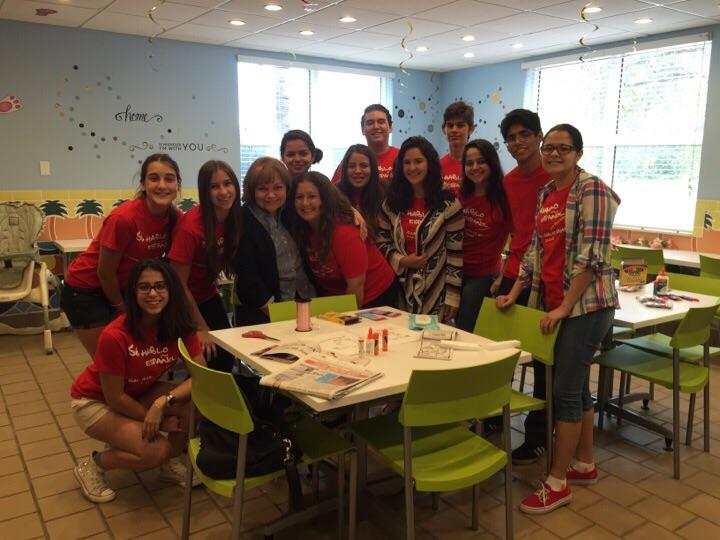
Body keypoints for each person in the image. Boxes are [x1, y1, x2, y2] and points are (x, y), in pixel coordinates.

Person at [496, 124, 619, 515]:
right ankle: (583, 463)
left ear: (578, 153)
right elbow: (535, 249)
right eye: (549, 147)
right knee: (578, 389)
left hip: (586, 307)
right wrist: (514, 292)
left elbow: (592, 255)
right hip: (553, 303)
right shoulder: (548, 193)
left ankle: (557, 482)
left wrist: (566, 305)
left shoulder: (592, 189)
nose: (553, 154)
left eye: (563, 148)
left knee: (564, 393)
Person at [70, 259, 205, 503]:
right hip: (94, 402)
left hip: (136, 392)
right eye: (145, 287)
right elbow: (114, 397)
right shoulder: (115, 335)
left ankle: (168, 463)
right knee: (156, 451)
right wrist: (156, 418)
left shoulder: (179, 325)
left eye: (160, 286)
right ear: (133, 293)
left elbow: (201, 376)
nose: (153, 293)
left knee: (192, 405)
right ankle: (93, 464)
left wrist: (163, 402)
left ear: (171, 290)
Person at [61, 154, 182, 358]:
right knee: (108, 361)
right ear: (143, 184)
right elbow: (105, 272)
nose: (162, 185)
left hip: (122, 287)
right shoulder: (124, 219)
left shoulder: (174, 217)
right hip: (85, 291)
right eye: (154, 178)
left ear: (178, 185)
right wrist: (122, 309)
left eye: (169, 179)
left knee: (131, 359)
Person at [497, 108, 555, 463]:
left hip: (547, 280)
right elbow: (512, 231)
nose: (517, 143)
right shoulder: (510, 181)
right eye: (511, 138)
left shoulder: (560, 177)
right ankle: (491, 417)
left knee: (542, 363)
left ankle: (537, 436)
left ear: (539, 136)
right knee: (499, 353)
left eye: (524, 135)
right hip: (513, 272)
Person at [377, 136, 464, 321]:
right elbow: (381, 242)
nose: (412, 168)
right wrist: (402, 260)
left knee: (429, 345)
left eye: (418, 161)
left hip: (436, 289)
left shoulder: (448, 202)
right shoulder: (391, 203)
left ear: (430, 163)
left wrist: (453, 296)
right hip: (397, 288)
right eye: (407, 162)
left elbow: (455, 255)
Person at [168, 160, 241, 373]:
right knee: (210, 357)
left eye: (227, 183)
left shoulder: (233, 218)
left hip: (206, 294)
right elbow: (178, 285)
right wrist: (201, 328)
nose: (223, 191)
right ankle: (193, 401)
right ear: (204, 192)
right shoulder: (191, 228)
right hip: (181, 300)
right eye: (214, 186)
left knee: (226, 350)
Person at [291, 172, 398, 308]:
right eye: (299, 197)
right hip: (335, 298)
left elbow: (355, 291)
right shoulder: (302, 227)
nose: (305, 203)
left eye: (312, 196)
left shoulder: (344, 233)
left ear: (325, 199)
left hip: (372, 297)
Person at [235, 157, 316, 326]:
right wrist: (275, 313)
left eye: (278, 187)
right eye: (262, 189)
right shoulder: (243, 221)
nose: (271, 195)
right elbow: (248, 277)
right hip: (264, 313)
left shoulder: (289, 212)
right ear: (251, 190)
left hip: (303, 300)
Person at [456, 139, 512, 332]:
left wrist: (502, 277)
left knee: (465, 327)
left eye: (481, 161)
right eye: (469, 163)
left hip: (483, 275)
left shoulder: (504, 198)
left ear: (492, 163)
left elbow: (518, 243)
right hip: (455, 271)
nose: (475, 167)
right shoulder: (459, 195)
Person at [331, 104, 399, 184]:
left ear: (390, 127)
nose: (376, 126)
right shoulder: (350, 161)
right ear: (363, 129)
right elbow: (333, 193)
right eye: (370, 123)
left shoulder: (402, 157)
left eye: (381, 122)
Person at [336, 144, 384, 241]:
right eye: (352, 166)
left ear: (373, 168)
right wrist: (349, 209)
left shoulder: (384, 192)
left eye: (364, 166)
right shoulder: (335, 193)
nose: (357, 171)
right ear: (345, 169)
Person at [439, 101, 476, 195]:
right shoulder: (437, 166)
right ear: (444, 130)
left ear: (471, 129)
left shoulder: (478, 166)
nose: (454, 130)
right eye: (450, 125)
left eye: (460, 125)